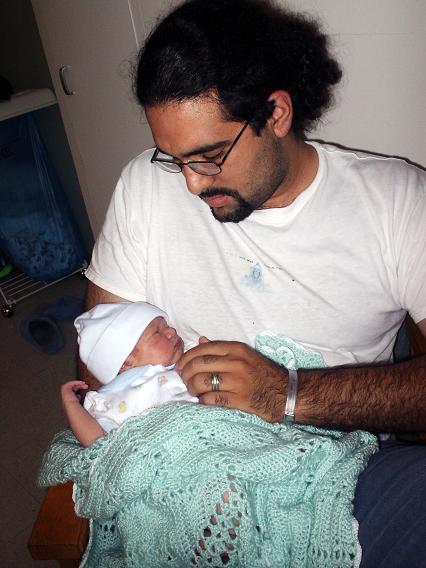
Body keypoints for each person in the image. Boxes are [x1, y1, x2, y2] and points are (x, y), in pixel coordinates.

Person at [81, 0, 426, 565]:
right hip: (185, 458)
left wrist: (286, 393)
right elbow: (100, 361)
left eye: (210, 156)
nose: (191, 185)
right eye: (174, 159)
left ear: (277, 114)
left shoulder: (396, 202)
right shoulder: (145, 184)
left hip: (342, 463)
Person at [62, 301, 197, 446]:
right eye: (157, 333)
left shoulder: (191, 355)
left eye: (167, 327)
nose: (172, 332)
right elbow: (97, 442)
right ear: (126, 363)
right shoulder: (117, 397)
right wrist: (71, 404)